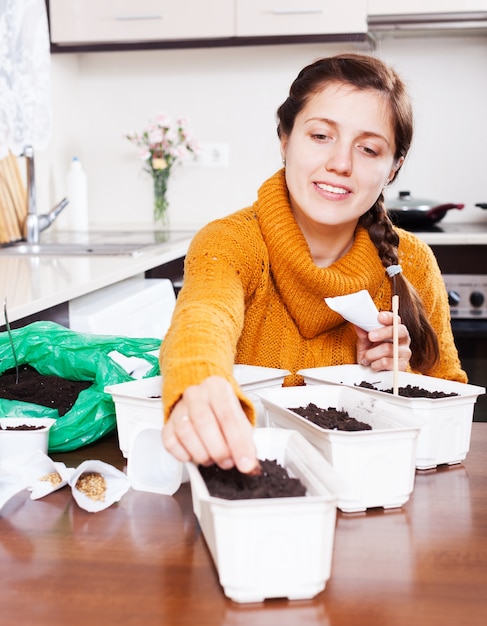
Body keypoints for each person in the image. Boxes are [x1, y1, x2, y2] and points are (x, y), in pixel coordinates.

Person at [160, 53, 467, 475]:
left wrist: (399, 380)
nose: (340, 163)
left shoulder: (411, 262)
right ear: (285, 139)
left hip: (374, 489)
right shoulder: (231, 241)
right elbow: (203, 320)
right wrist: (201, 383)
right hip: (250, 487)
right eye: (321, 136)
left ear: (393, 167)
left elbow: (447, 403)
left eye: (369, 148)